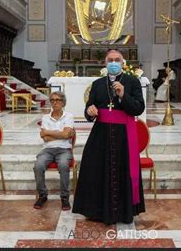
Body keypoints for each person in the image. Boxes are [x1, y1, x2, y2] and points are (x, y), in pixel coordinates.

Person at [72, 49, 145, 225]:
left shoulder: (132, 82)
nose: (113, 62)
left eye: (117, 60)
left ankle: (124, 212)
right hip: (101, 135)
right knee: (95, 168)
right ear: (105, 63)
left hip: (124, 135)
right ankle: (95, 211)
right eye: (110, 60)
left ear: (123, 63)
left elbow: (138, 108)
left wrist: (123, 95)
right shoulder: (97, 84)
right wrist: (90, 112)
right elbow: (90, 108)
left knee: (123, 170)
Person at [34, 91, 75, 211]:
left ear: (63, 102)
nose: (55, 102)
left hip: (64, 150)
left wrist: (49, 132)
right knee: (38, 166)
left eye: (58, 100)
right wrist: (62, 134)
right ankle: (42, 195)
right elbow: (45, 137)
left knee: (63, 165)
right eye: (52, 100)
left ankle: (64, 198)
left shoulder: (69, 116)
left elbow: (66, 134)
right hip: (48, 149)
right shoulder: (45, 118)